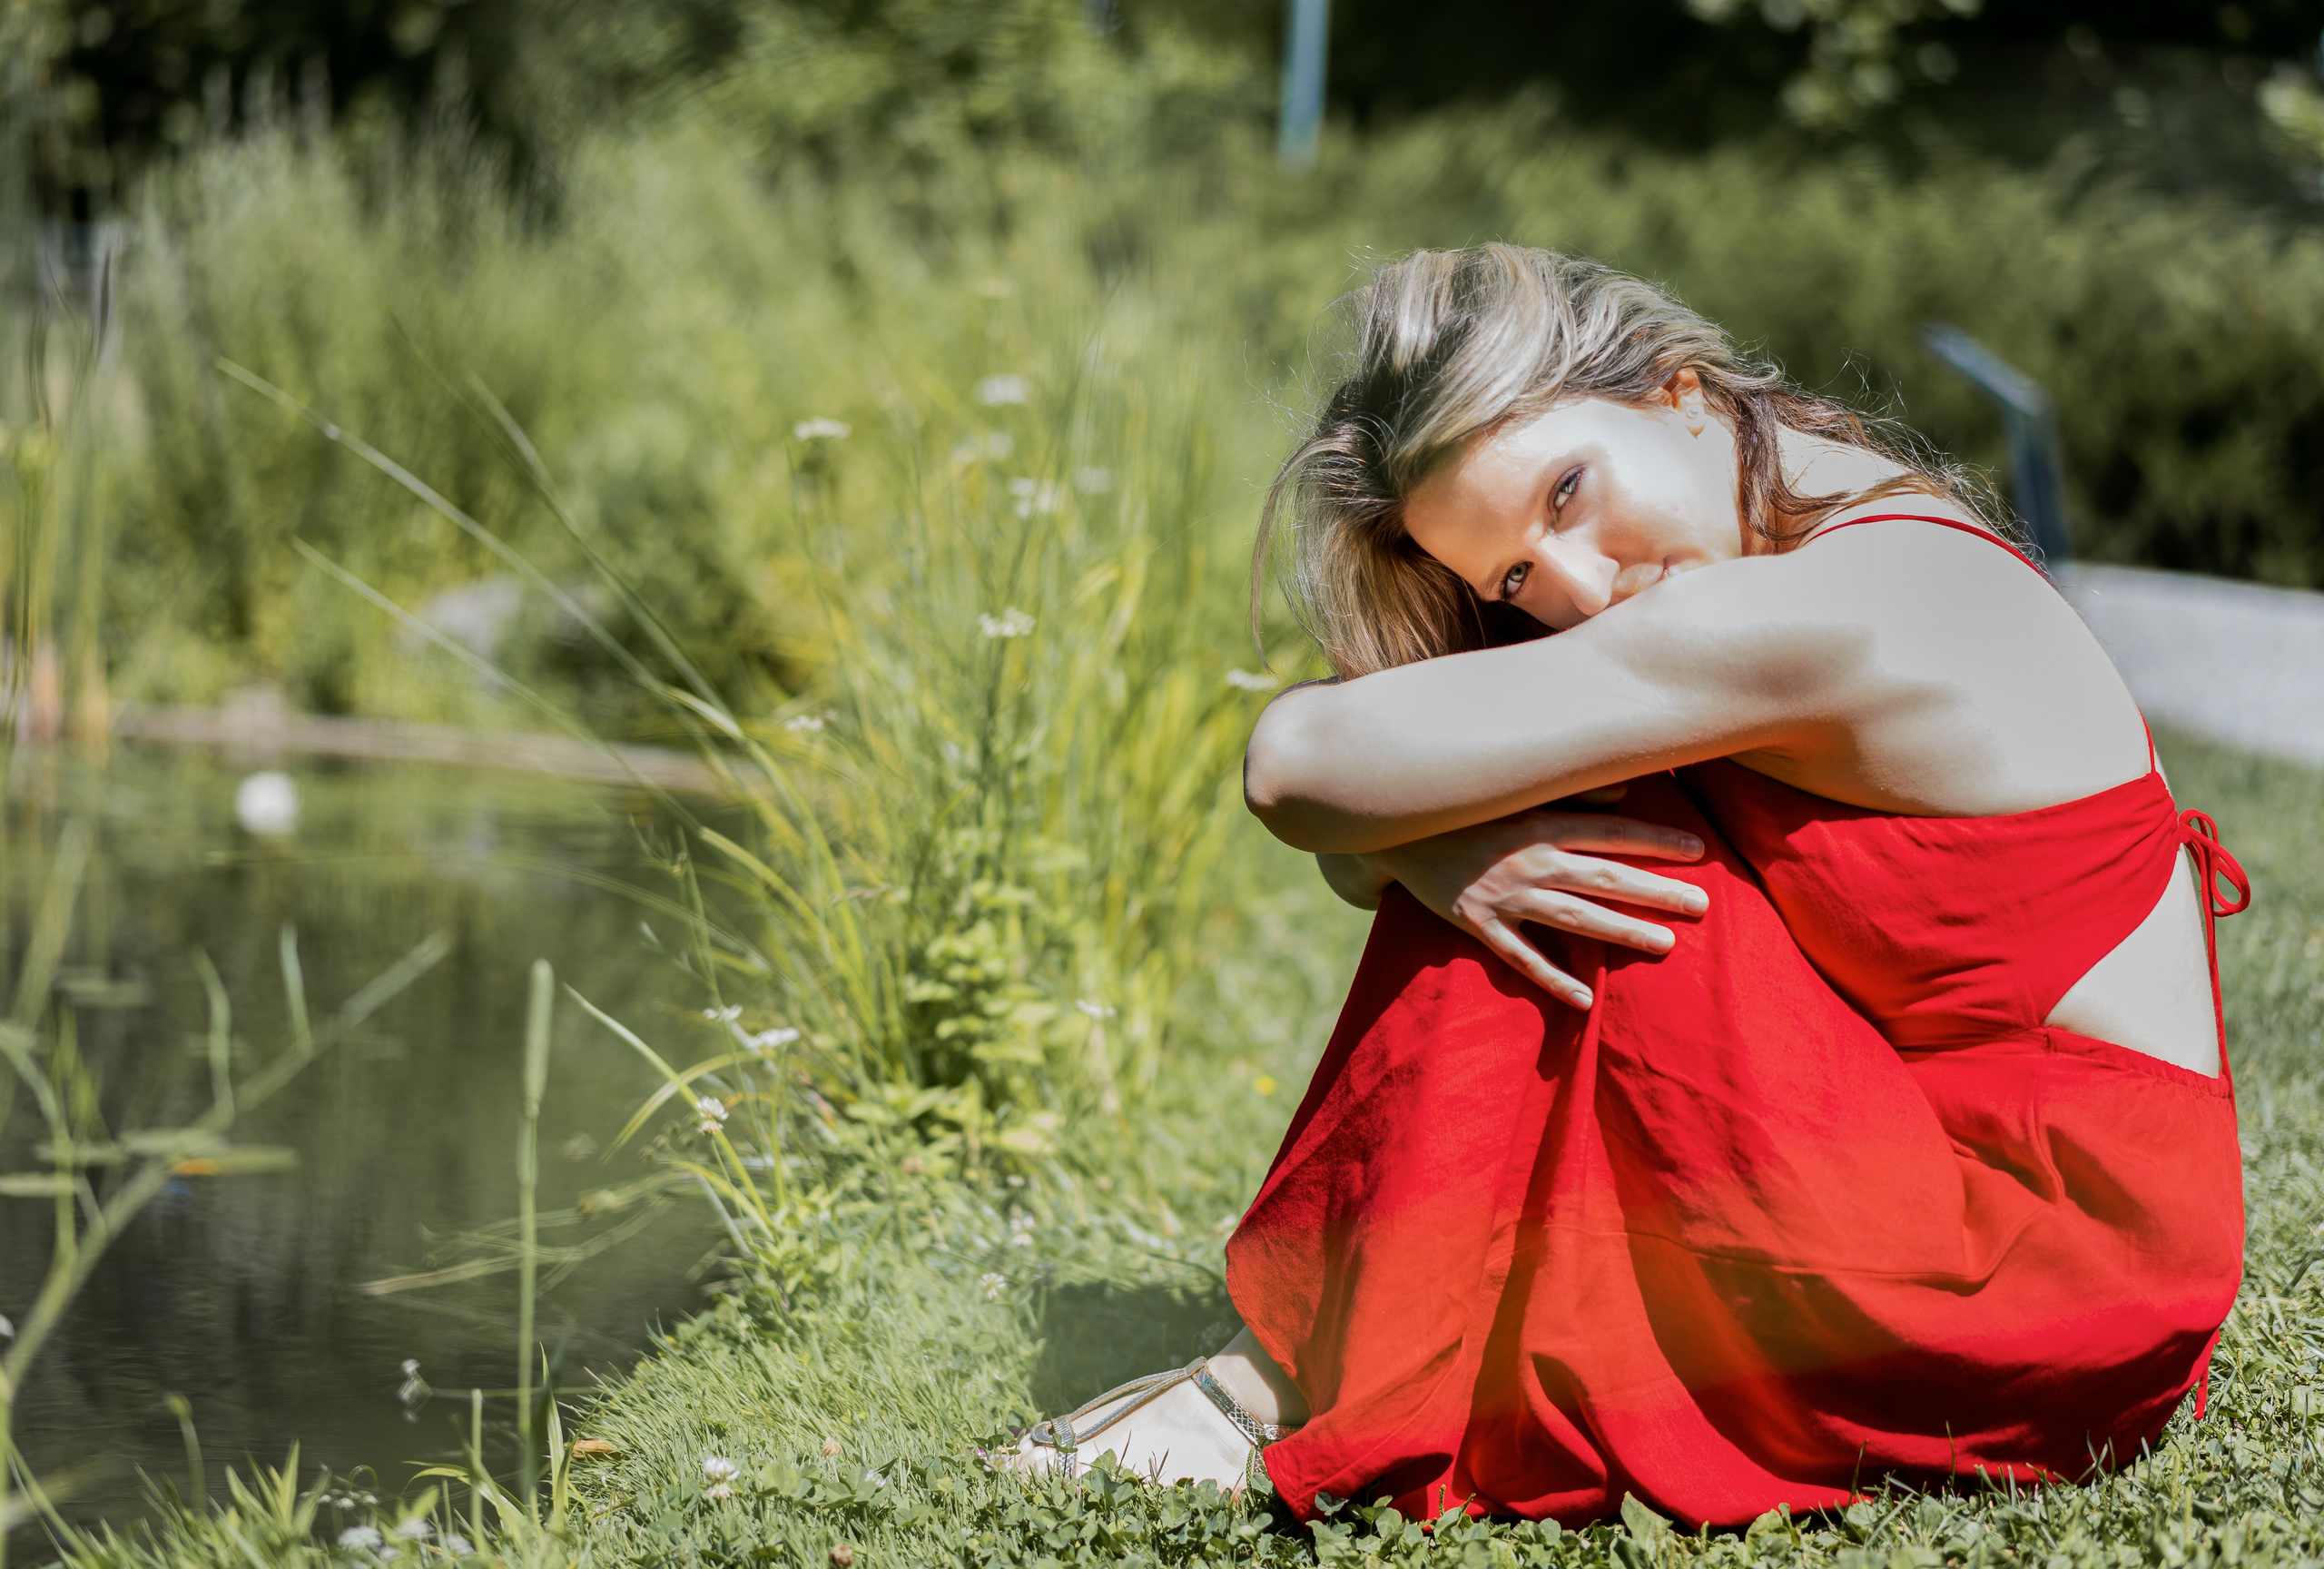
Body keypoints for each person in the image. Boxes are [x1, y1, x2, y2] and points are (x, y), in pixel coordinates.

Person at [1010, 244, 2248, 1526]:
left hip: (2045, 1269)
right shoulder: (1832, 509)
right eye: (1513, 581)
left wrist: (1427, 828)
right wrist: (1440, 846)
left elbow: (1291, 767)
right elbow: (1345, 821)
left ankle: (1256, 1388)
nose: (1584, 588)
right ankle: (1289, 1365)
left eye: (1568, 494)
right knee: (1529, 813)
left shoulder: (1827, 612)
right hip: (2094, 1258)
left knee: (1590, 826)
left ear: (1675, 388)